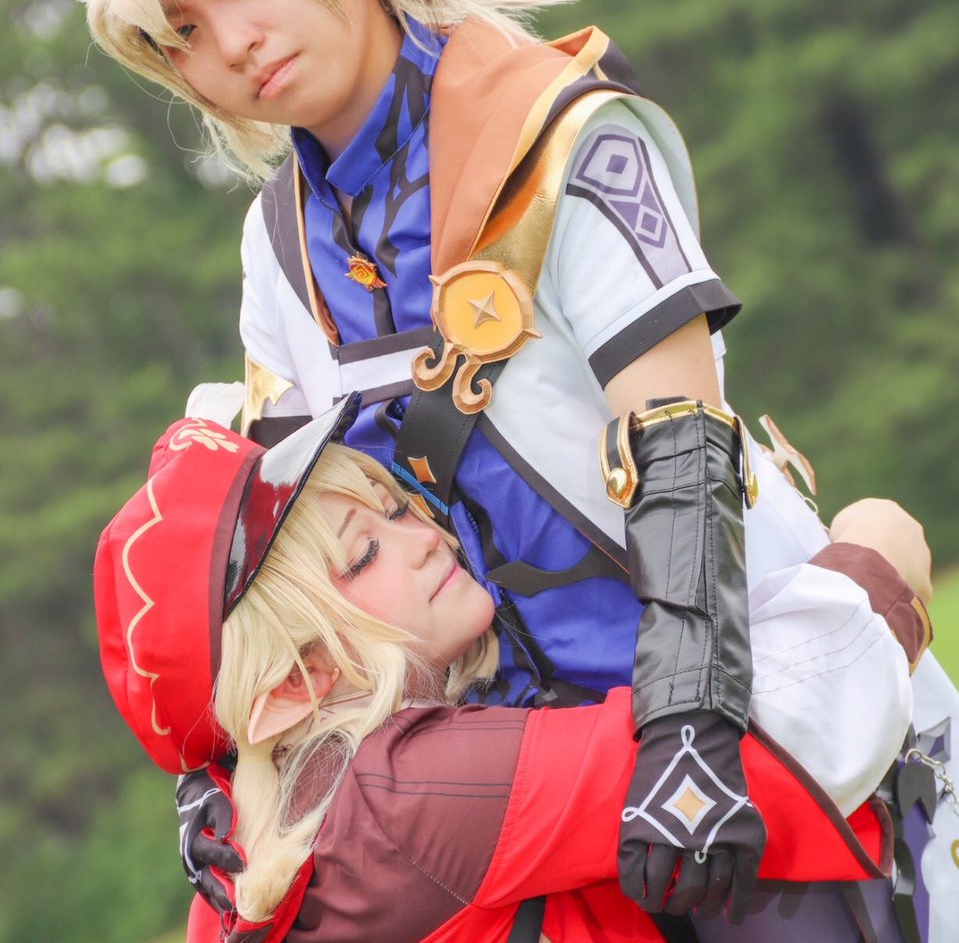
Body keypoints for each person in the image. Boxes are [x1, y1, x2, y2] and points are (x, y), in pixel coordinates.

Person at [45, 0, 955, 939]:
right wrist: (221, 765)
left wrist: (689, 726)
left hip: (768, 725)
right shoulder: (278, 249)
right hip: (535, 796)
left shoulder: (561, 135)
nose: (232, 43)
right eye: (182, 29)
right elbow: (277, 559)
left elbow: (680, 445)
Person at [95, 399, 928, 943]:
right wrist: (875, 560)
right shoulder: (406, 794)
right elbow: (767, 747)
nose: (425, 537)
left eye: (397, 506)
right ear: (289, 686)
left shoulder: (238, 860)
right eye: (363, 554)